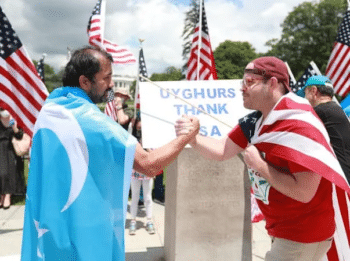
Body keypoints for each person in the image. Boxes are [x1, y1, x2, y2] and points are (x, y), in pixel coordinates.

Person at [21, 46, 199, 261]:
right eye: (106, 77)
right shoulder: (89, 118)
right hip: (79, 235)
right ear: (84, 82)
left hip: (49, 230)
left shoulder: (50, 109)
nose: (112, 84)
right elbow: (149, 164)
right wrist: (186, 137)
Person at [175, 56, 350, 260]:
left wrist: (260, 165)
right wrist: (194, 138)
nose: (242, 88)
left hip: (304, 234)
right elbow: (222, 149)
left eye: (250, 81)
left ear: (273, 83)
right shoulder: (255, 121)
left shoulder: (299, 125)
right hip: (285, 232)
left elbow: (305, 191)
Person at [296, 75, 350, 183]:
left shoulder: (319, 112)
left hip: (341, 179)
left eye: (305, 93)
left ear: (314, 91)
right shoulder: (336, 109)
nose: (305, 98)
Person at [129, 116, 155, 235]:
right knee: (134, 197)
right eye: (138, 123)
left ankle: (149, 221)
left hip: (147, 172)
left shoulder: (150, 139)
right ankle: (133, 221)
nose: (140, 126)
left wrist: (147, 146)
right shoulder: (131, 138)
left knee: (147, 197)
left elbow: (154, 155)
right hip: (134, 172)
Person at [0, 108, 26, 210]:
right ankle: (2, 194)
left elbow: (20, 136)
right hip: (0, 148)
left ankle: (7, 195)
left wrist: (15, 127)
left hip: (11, 149)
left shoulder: (14, 119)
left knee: (9, 172)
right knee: (1, 173)